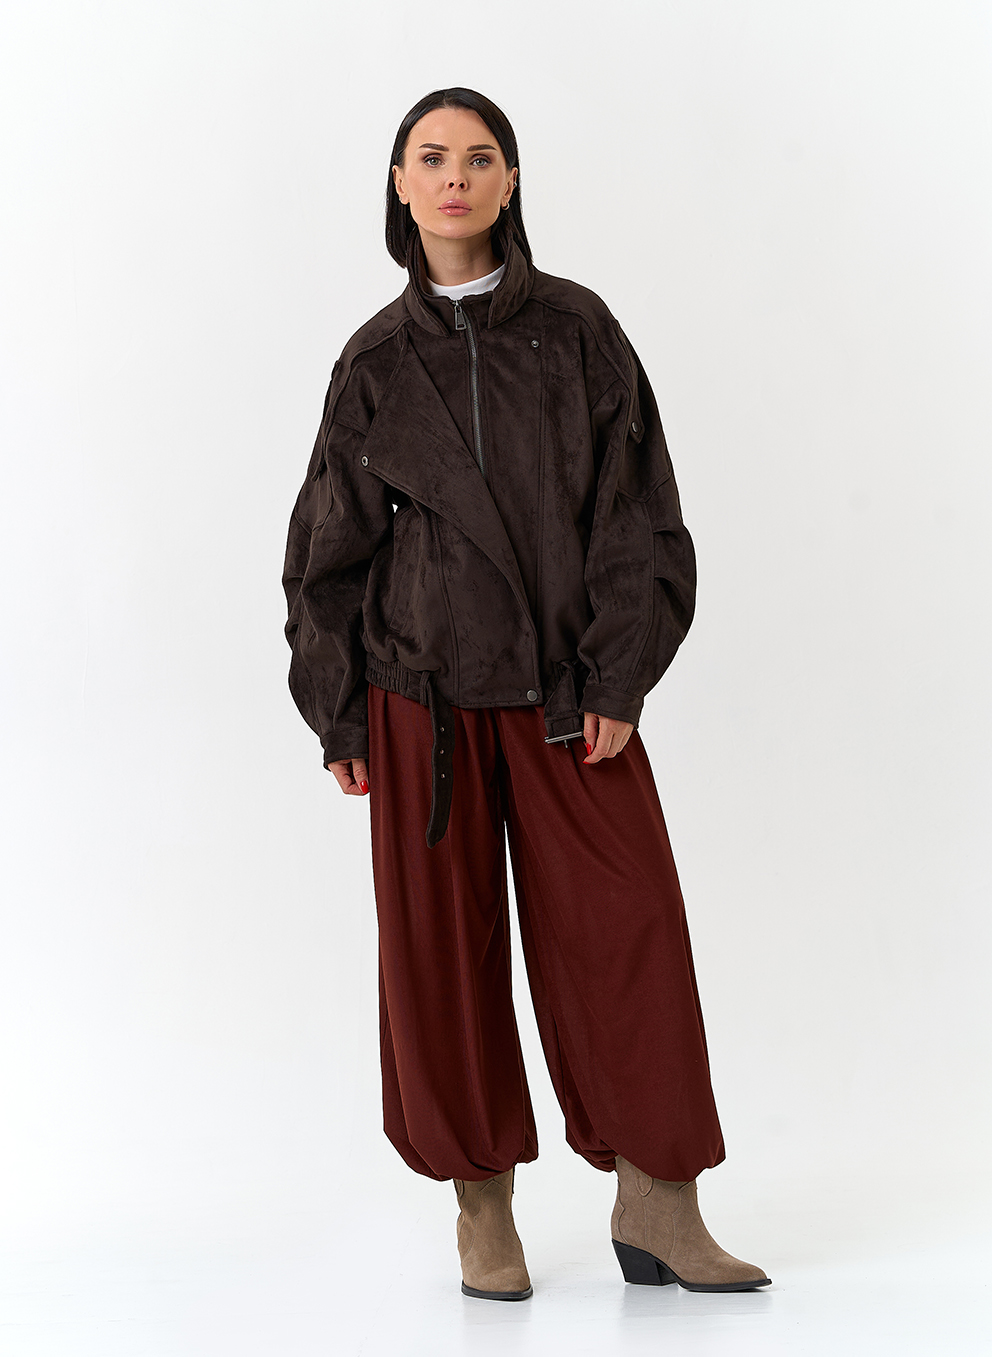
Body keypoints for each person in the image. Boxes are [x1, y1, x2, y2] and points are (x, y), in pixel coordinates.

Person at [282, 87, 770, 1301]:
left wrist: (617, 672)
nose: (454, 176)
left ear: (509, 181)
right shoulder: (374, 362)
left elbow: (636, 513)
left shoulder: (576, 332)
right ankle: (481, 1205)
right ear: (400, 185)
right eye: (430, 156)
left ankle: (659, 1203)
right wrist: (338, 707)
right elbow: (326, 548)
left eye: (478, 156)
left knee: (628, 936)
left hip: (567, 700)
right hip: (420, 703)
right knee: (440, 965)